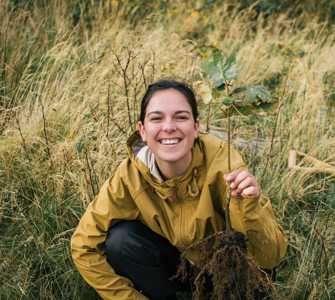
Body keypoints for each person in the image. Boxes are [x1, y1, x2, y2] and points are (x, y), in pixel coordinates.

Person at [70, 79, 287, 300]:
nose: (169, 127)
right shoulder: (129, 176)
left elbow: (269, 258)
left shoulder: (224, 164)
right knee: (121, 240)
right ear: (142, 131)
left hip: (226, 269)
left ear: (195, 127)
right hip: (177, 268)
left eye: (181, 117)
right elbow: (83, 246)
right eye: (156, 118)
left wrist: (249, 207)